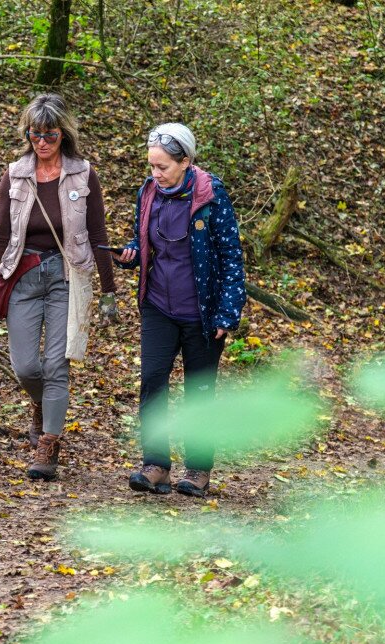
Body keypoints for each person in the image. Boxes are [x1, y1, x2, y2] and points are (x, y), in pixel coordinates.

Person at [0, 92, 119, 481]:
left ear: (63, 134)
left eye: (49, 134)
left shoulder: (83, 174)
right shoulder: (14, 175)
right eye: (35, 134)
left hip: (65, 278)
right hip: (22, 276)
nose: (41, 142)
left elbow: (97, 233)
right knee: (26, 366)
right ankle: (41, 404)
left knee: (56, 365)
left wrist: (108, 291)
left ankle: (48, 444)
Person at [111, 122, 246, 498]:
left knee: (198, 392)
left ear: (185, 161)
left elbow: (231, 255)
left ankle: (198, 469)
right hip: (158, 305)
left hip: (202, 312)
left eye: (163, 167)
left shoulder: (211, 195)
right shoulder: (149, 193)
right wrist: (130, 254)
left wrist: (227, 311)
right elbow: (141, 240)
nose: (155, 174)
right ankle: (155, 465)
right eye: (151, 167)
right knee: (153, 381)